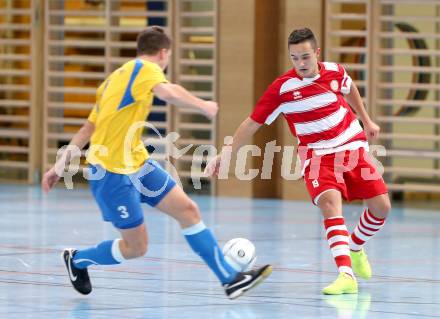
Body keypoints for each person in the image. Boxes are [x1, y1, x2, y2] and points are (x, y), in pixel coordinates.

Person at [42, 26, 271, 300]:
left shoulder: (113, 79)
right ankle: (78, 260)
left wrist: (58, 166)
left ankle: (230, 280)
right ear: (163, 53)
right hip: (110, 173)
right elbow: (168, 92)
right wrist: (203, 105)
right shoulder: (146, 69)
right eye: (168, 57)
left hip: (138, 163)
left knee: (188, 209)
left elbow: (87, 129)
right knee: (137, 247)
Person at [205, 28, 391, 295]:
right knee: (330, 203)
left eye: (305, 57)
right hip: (317, 154)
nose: (301, 64)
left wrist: (366, 119)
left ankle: (355, 246)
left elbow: (350, 89)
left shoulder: (335, 71)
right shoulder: (282, 89)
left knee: (381, 207)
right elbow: (251, 124)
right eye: (294, 58)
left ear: (316, 53)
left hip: (351, 144)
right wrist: (227, 153)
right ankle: (345, 274)